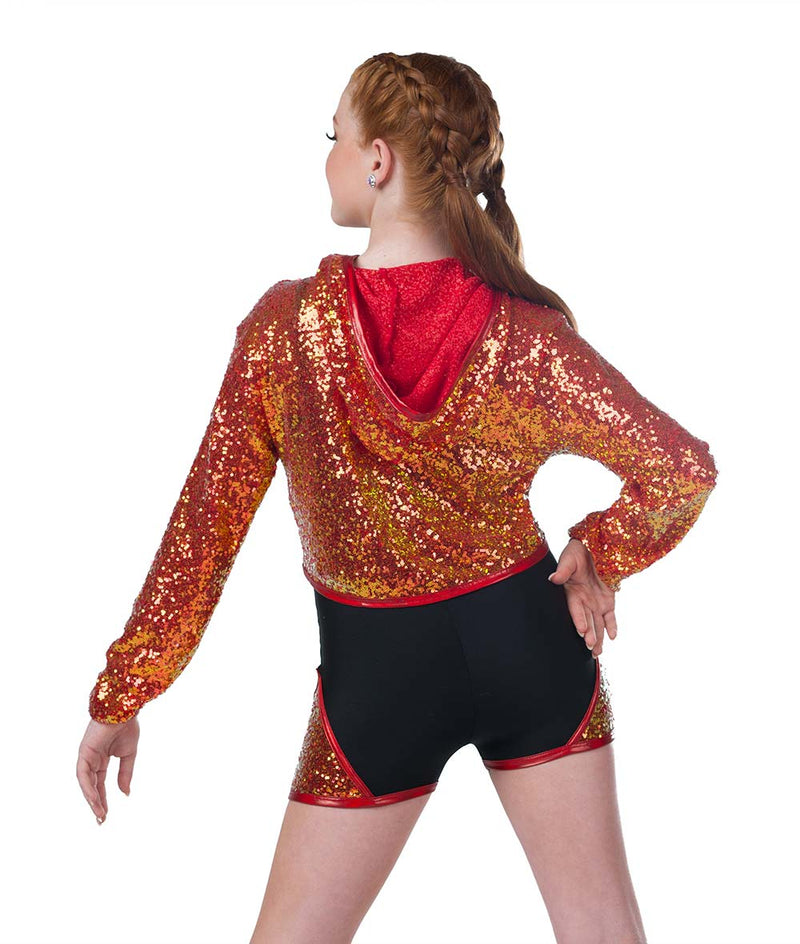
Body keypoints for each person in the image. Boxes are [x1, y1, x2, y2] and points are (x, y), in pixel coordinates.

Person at [76, 52, 717, 944]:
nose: (329, 155)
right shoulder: (526, 335)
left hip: (375, 681)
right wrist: (600, 551)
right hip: (531, 650)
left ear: (377, 160)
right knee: (602, 928)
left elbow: (204, 533)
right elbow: (682, 468)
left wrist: (123, 693)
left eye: (333, 135)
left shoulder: (283, 331)